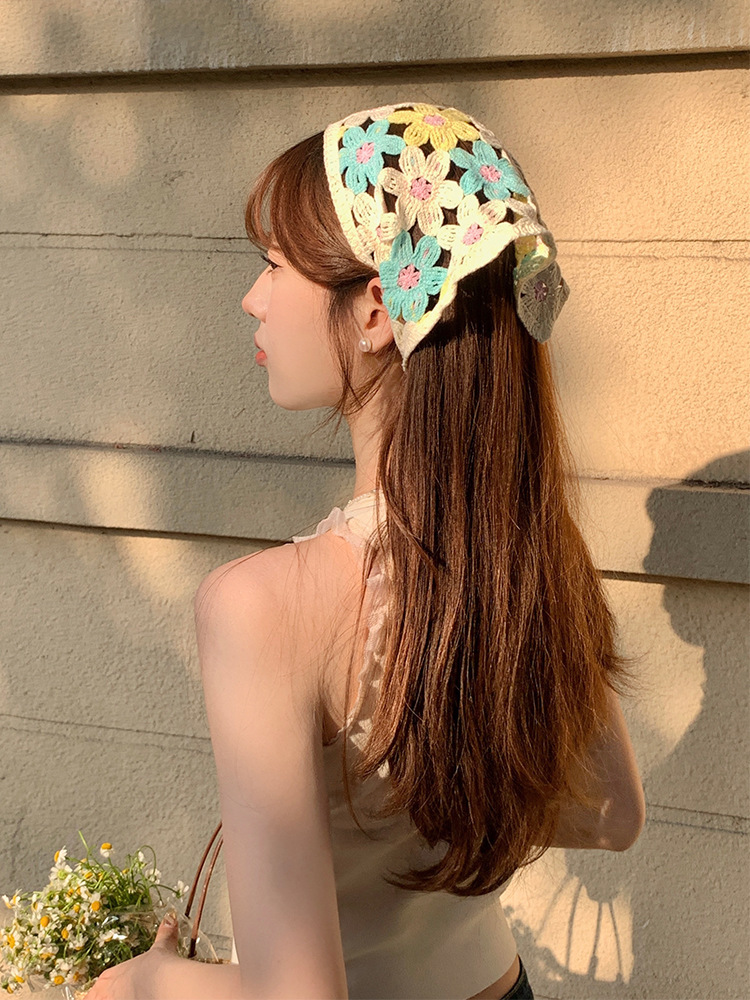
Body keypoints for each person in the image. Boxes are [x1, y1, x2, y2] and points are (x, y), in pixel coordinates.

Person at [90, 101, 645, 1000]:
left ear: (378, 311)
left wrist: (138, 987)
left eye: (276, 266)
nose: (253, 297)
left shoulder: (262, 606)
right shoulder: (525, 555)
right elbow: (611, 814)